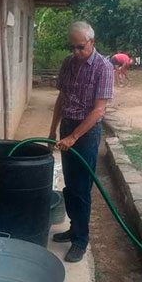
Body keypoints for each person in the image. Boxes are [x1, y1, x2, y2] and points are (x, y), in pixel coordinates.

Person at [49, 21, 114, 263]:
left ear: (92, 43)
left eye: (80, 47)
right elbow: (62, 98)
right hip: (68, 126)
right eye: (72, 48)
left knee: (82, 188)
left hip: (86, 134)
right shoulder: (68, 63)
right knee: (70, 184)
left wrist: (74, 136)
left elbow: (99, 111)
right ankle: (73, 228)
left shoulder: (103, 68)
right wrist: (52, 130)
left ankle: (80, 241)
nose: (76, 53)